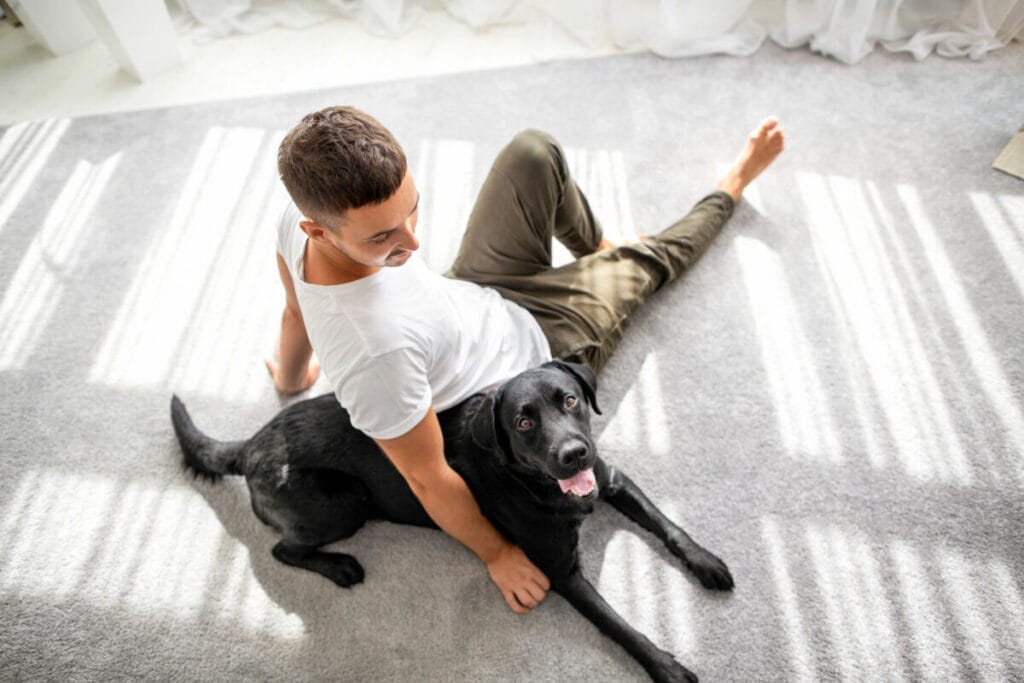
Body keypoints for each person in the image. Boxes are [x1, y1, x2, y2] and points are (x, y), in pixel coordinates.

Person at [265, 106, 784, 614]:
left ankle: (598, 251)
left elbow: (296, 309)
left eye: (412, 209)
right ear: (320, 231)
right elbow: (429, 479)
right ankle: (736, 181)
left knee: (533, 152)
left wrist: (292, 375)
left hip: (470, 291)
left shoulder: (301, 214)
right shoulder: (375, 357)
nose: (413, 241)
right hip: (541, 348)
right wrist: (499, 554)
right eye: (383, 237)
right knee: (651, 262)